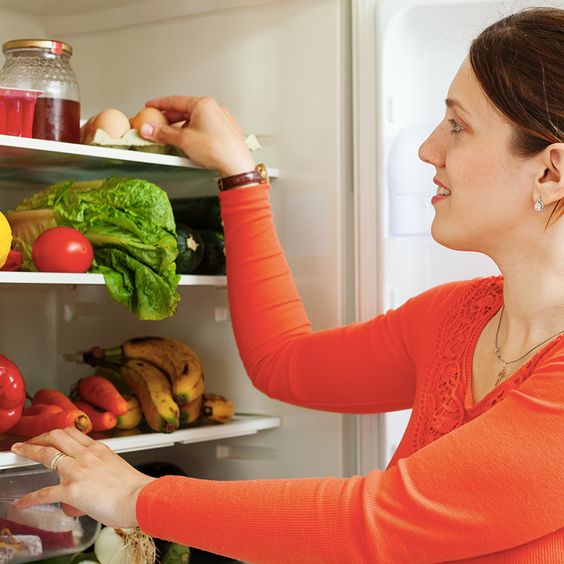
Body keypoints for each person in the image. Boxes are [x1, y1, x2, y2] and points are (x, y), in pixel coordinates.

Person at [9, 6, 564, 563]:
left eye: (457, 126)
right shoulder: (456, 319)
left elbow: (379, 522)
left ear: (549, 171)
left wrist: (138, 498)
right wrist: (239, 173)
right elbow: (282, 359)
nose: (428, 149)